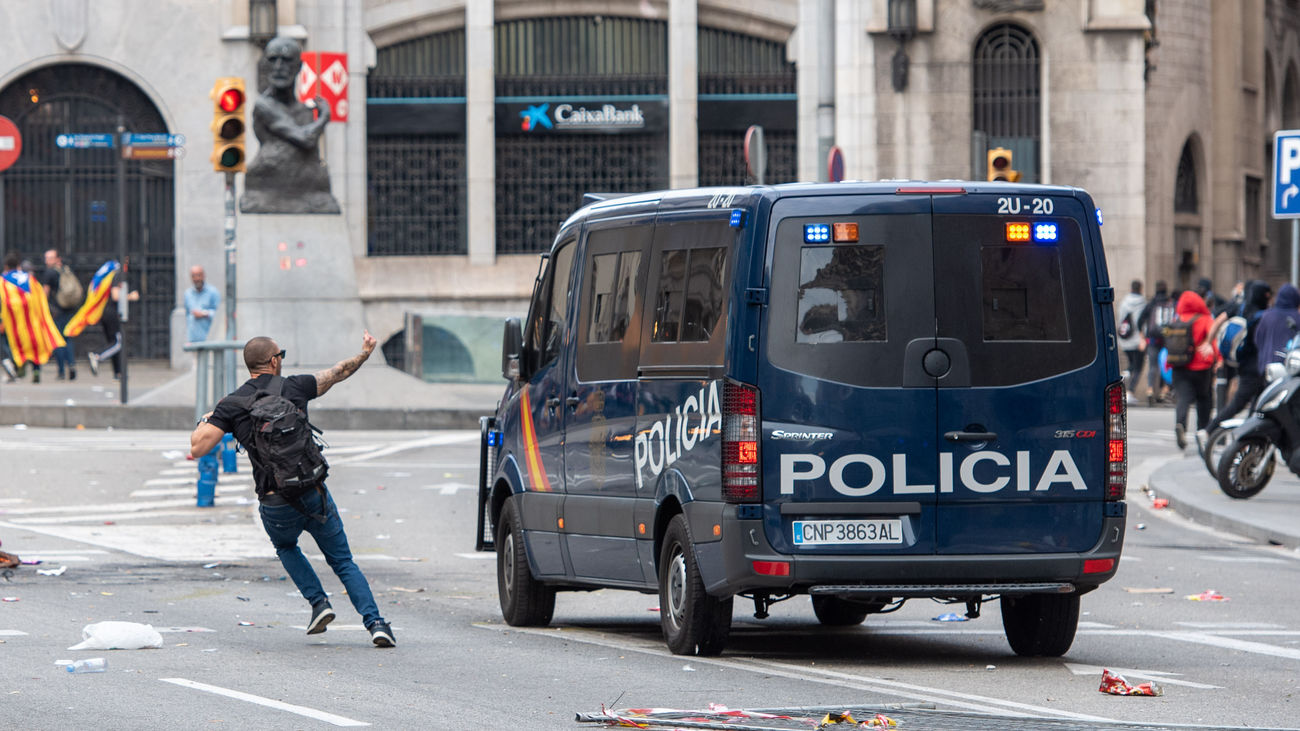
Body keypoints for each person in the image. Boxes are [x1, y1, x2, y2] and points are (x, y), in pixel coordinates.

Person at [188, 331, 394, 648]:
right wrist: (364, 353)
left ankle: (319, 604)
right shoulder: (294, 387)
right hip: (314, 492)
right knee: (342, 561)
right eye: (279, 354)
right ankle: (376, 624)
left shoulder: (232, 404)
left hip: (274, 501)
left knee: (286, 548)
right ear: (274, 361)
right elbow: (337, 373)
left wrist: (208, 419)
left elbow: (198, 447)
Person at [240, 37, 340, 214]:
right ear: (265, 66)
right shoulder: (264, 105)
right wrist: (324, 117)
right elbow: (305, 139)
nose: (279, 67)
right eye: (273, 60)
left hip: (309, 187)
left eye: (286, 60)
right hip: (268, 186)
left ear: (298, 67)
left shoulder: (305, 110)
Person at [1201, 280, 1271, 442]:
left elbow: (1218, 321)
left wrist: (1208, 343)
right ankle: (1211, 431)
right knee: (1240, 404)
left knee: (1254, 404)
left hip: (1240, 361)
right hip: (1257, 366)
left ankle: (1249, 439)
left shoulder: (1238, 307)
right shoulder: (1262, 314)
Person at [1169, 290, 1218, 450]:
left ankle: (1180, 424)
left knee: (1183, 398)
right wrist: (1219, 360)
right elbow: (1213, 341)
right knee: (1204, 400)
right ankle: (1202, 431)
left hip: (1179, 366)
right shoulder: (1205, 319)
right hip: (1201, 368)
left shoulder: (1177, 319)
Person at [41, 249, 79, 380]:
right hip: (69, 309)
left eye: (50, 258)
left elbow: (44, 294)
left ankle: (61, 371)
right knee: (68, 338)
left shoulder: (49, 273)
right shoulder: (66, 270)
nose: (47, 261)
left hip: (56, 311)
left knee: (58, 339)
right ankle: (72, 365)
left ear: (57, 259)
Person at [87, 283, 138, 379]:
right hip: (112, 314)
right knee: (118, 343)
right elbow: (115, 296)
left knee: (113, 342)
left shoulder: (110, 275)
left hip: (106, 312)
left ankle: (118, 373)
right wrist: (131, 296)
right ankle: (97, 356)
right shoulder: (118, 274)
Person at [1137, 280, 1175, 405]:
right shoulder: (1171, 303)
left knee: (1153, 366)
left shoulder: (1152, 303)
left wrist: (1142, 337)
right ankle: (1164, 390)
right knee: (1166, 365)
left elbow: (1140, 320)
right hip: (1167, 339)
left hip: (1153, 340)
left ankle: (1150, 390)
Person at [1253, 283, 1300, 374]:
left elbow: (1257, 339)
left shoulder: (1267, 315)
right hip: (1289, 368)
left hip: (1267, 367)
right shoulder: (1297, 317)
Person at [1116, 279, 1147, 405]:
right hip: (1138, 340)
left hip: (1125, 339)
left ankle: (1126, 373)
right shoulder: (1143, 303)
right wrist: (1143, 339)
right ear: (1141, 289)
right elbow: (1144, 323)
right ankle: (1130, 392)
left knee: (1131, 364)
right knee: (1138, 367)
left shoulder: (1124, 302)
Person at [184, 265, 220, 343]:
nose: (197, 278)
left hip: (210, 340)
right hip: (193, 340)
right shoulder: (187, 294)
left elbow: (219, 315)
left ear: (204, 276)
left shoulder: (213, 292)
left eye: (199, 275)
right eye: (194, 276)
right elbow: (188, 315)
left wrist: (204, 313)